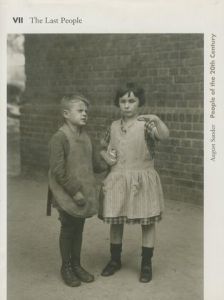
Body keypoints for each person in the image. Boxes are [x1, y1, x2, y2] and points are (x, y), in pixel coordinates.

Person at [99, 82, 169, 283]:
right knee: (115, 220)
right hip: (118, 179)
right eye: (123, 101)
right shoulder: (112, 126)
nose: (127, 105)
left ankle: (146, 264)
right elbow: (103, 147)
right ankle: (114, 260)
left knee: (147, 222)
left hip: (142, 178)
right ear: (118, 103)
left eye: (132, 100)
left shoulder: (146, 124)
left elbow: (164, 136)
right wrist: (106, 156)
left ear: (139, 103)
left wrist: (156, 119)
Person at [48, 94, 107, 287]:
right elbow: (58, 170)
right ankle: (66, 267)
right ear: (66, 114)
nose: (85, 114)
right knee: (68, 227)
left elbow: (94, 166)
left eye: (86, 111)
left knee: (79, 227)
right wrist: (74, 192)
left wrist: (107, 159)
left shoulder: (85, 137)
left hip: (83, 192)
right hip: (67, 192)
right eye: (80, 111)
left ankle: (76, 264)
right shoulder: (60, 137)